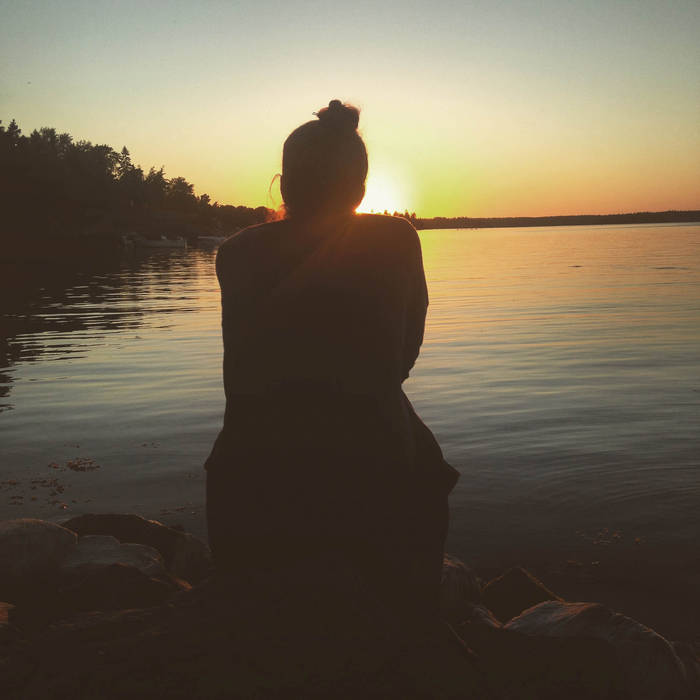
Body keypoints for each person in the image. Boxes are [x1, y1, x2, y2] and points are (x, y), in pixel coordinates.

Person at [205, 100, 458, 623]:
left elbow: (248, 365)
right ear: (361, 190)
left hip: (248, 479)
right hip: (371, 466)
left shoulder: (235, 252)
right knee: (416, 450)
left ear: (283, 185)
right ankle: (416, 621)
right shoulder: (396, 239)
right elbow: (403, 355)